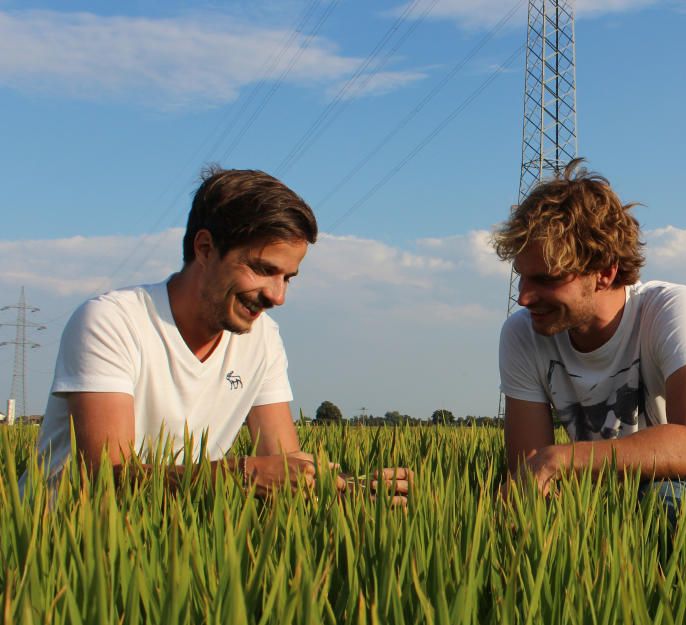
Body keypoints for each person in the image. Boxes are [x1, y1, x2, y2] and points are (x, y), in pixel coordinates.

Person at [24, 166, 410, 501]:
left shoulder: (262, 339)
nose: (277, 296)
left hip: (165, 544)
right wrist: (239, 475)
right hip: (55, 545)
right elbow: (107, 476)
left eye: (288, 278)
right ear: (206, 248)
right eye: (263, 270)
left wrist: (351, 492)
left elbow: (283, 467)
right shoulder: (112, 321)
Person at [493, 158, 686, 502]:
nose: (523, 297)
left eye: (546, 279)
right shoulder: (522, 334)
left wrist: (561, 459)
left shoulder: (671, 309)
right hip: (602, 504)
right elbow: (529, 477)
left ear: (604, 273)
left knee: (662, 497)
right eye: (522, 276)